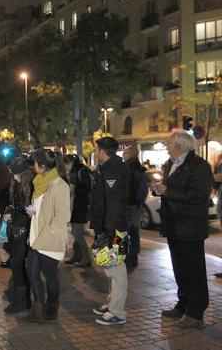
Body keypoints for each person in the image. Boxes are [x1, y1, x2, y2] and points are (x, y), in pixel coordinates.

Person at [157, 131, 212, 329]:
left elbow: (199, 195)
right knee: (180, 269)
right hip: (174, 226)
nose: (166, 145)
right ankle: (183, 305)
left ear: (179, 145)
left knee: (193, 270)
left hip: (190, 227)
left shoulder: (199, 166)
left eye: (168, 143)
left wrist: (168, 191)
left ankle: (195, 313)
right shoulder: (172, 164)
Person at [24, 149, 70, 323]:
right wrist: (34, 212)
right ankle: (39, 311)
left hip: (49, 238)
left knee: (49, 274)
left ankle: (51, 309)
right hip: (36, 236)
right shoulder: (40, 182)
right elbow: (43, 207)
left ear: (42, 166)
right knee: (32, 272)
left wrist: (49, 232)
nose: (33, 166)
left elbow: (63, 215)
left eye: (35, 163)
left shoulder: (59, 185)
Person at [89, 137, 129, 326]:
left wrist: (109, 230)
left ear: (102, 151)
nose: (96, 154)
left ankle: (118, 312)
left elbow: (113, 202)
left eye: (97, 150)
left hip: (114, 227)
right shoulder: (109, 168)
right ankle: (113, 303)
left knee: (117, 268)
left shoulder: (112, 169)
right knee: (112, 267)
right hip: (109, 225)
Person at [2, 157, 34, 314]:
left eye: (16, 174)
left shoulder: (31, 184)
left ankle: (21, 300)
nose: (13, 177)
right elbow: (12, 203)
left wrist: (20, 208)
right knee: (17, 264)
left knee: (17, 264)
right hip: (15, 228)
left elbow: (31, 208)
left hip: (25, 229)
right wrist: (8, 213)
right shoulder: (16, 184)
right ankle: (23, 299)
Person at [62, 154, 92, 267]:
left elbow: (71, 192)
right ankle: (77, 256)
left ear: (69, 163)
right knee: (76, 231)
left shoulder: (77, 172)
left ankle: (86, 258)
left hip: (79, 206)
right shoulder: (81, 169)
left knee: (77, 232)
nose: (65, 168)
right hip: (80, 205)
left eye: (65, 165)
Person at [123, 146, 146, 272]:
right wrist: (139, 202)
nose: (123, 154)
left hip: (128, 206)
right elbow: (143, 190)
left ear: (131, 155)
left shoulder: (127, 169)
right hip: (136, 206)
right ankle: (134, 257)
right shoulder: (140, 169)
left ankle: (127, 259)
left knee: (125, 233)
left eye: (125, 153)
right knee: (134, 233)